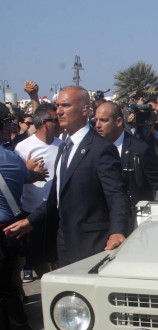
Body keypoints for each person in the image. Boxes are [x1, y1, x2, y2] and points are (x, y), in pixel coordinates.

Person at [5, 86, 131, 267]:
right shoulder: (65, 147)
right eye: (58, 106)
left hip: (92, 244)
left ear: (85, 110)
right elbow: (56, 198)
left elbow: (117, 195)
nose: (59, 112)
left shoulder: (100, 149)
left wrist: (118, 231)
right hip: (65, 242)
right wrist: (29, 221)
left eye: (65, 106)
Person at [0, 103, 37, 330]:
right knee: (7, 287)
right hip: (10, 229)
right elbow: (28, 175)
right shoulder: (12, 159)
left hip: (6, 229)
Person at [94, 101, 158, 225]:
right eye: (96, 120)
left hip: (134, 222)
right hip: (102, 221)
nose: (98, 125)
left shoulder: (140, 150)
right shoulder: (94, 149)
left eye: (104, 120)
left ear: (119, 121)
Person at [14, 103, 62, 278]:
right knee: (39, 259)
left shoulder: (63, 145)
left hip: (56, 210)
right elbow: (17, 179)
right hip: (32, 211)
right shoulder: (23, 147)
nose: (59, 123)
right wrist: (28, 172)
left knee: (57, 256)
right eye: (55, 120)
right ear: (44, 123)